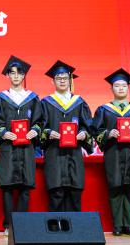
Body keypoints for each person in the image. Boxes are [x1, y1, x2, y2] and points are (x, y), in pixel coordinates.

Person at [93, 69, 130, 236]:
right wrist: (108, 133)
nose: (120, 88)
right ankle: (117, 225)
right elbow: (96, 131)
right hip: (114, 153)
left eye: (124, 86)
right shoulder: (104, 110)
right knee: (115, 187)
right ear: (111, 88)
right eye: (117, 86)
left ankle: (129, 224)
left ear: (128, 88)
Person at [0, 55, 42, 235]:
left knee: (25, 187)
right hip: (8, 148)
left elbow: (39, 121)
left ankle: (22, 225)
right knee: (7, 187)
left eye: (19, 73)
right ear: (7, 75)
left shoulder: (33, 98)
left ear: (24, 76)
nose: (15, 76)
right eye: (12, 73)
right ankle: (8, 225)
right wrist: (3, 132)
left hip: (27, 148)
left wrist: (35, 130)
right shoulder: (0, 98)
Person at [39, 60, 94, 211]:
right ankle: (56, 225)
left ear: (70, 80)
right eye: (58, 78)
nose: (62, 81)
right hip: (54, 154)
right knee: (56, 194)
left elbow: (89, 127)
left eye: (65, 78)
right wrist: (48, 133)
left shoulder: (79, 102)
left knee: (75, 193)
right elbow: (39, 127)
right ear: (52, 81)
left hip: (74, 154)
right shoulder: (46, 103)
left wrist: (84, 134)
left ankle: (74, 226)